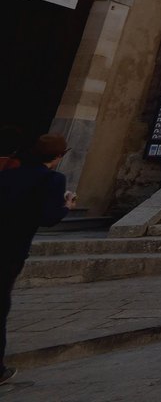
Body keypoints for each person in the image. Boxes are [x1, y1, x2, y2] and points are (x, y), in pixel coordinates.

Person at [0, 134, 75, 384]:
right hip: (10, 250)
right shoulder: (52, 180)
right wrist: (67, 206)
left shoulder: (7, 175)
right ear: (58, 156)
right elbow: (49, 217)